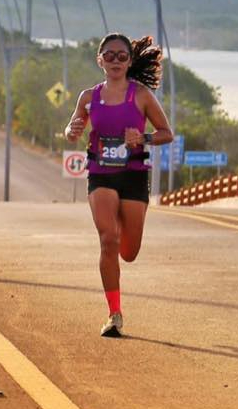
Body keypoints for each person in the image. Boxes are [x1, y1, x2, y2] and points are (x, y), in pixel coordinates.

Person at [64, 33, 172, 338]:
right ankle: (114, 314)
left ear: (129, 61)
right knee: (108, 239)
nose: (115, 61)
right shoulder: (89, 97)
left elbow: (166, 133)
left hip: (134, 174)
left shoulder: (141, 96)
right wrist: (71, 130)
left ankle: (123, 230)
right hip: (101, 173)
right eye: (109, 55)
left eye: (121, 56)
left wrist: (144, 138)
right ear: (100, 61)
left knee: (129, 251)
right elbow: (73, 129)